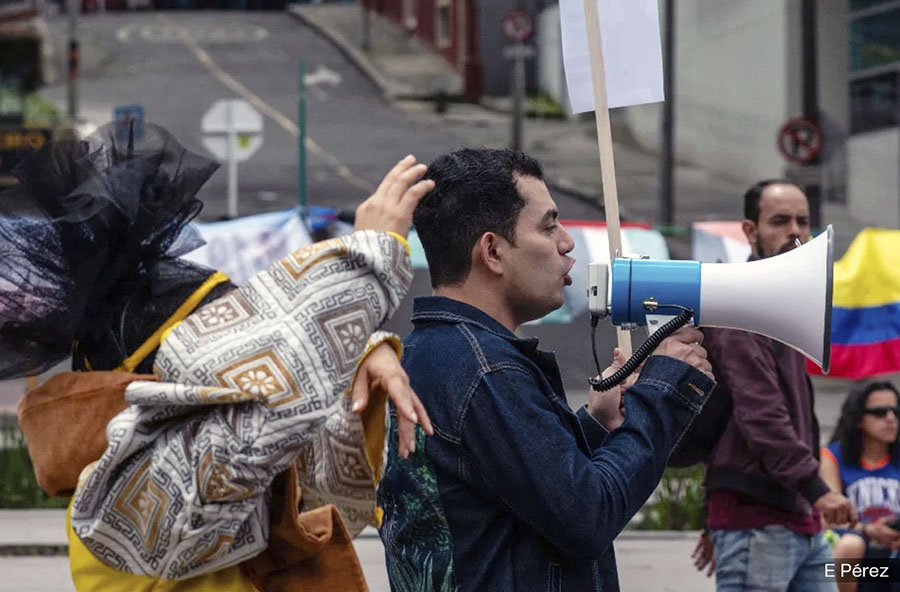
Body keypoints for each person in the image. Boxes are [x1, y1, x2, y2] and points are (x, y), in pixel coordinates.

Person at [1, 123, 434, 590]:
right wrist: (364, 265)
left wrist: (363, 355)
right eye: (229, 354)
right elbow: (263, 420)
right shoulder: (125, 502)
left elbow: (308, 448)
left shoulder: (158, 457)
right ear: (168, 391)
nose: (245, 372)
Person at [376, 147, 716, 592]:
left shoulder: (427, 354)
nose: (567, 242)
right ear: (492, 251)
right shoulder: (488, 372)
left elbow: (518, 497)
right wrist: (661, 393)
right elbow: (587, 516)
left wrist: (595, 427)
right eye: (548, 225)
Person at [691, 179, 856, 591]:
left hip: (795, 515)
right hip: (759, 521)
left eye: (803, 221)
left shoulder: (783, 301)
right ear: (750, 231)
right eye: (780, 221)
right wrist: (817, 489)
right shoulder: (742, 302)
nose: (795, 232)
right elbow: (760, 414)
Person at [820, 381, 900, 592]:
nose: (891, 418)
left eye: (896, 412)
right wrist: (867, 530)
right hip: (854, 559)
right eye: (880, 412)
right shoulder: (832, 457)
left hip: (893, 557)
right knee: (850, 545)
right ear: (858, 419)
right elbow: (828, 518)